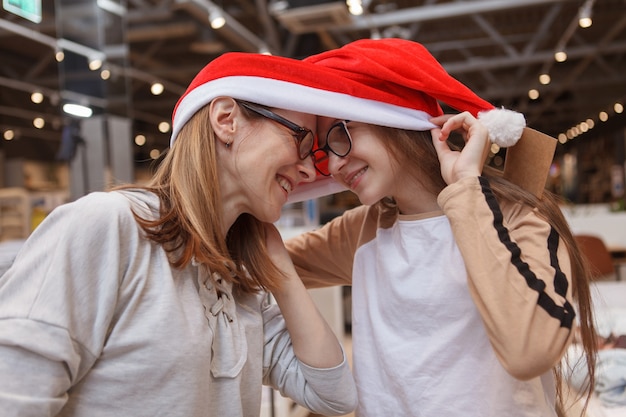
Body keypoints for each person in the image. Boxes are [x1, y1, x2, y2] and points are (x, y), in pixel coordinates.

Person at [0, 52, 357, 417]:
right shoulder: (109, 226)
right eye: (301, 141)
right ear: (226, 120)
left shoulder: (238, 281)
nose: (311, 172)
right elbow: (14, 393)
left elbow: (334, 395)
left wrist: (280, 272)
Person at [283, 39, 598, 417]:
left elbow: (528, 350)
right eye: (324, 151)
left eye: (341, 134)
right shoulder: (364, 230)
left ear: (393, 116)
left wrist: (466, 189)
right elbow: (264, 266)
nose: (333, 167)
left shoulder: (519, 218)